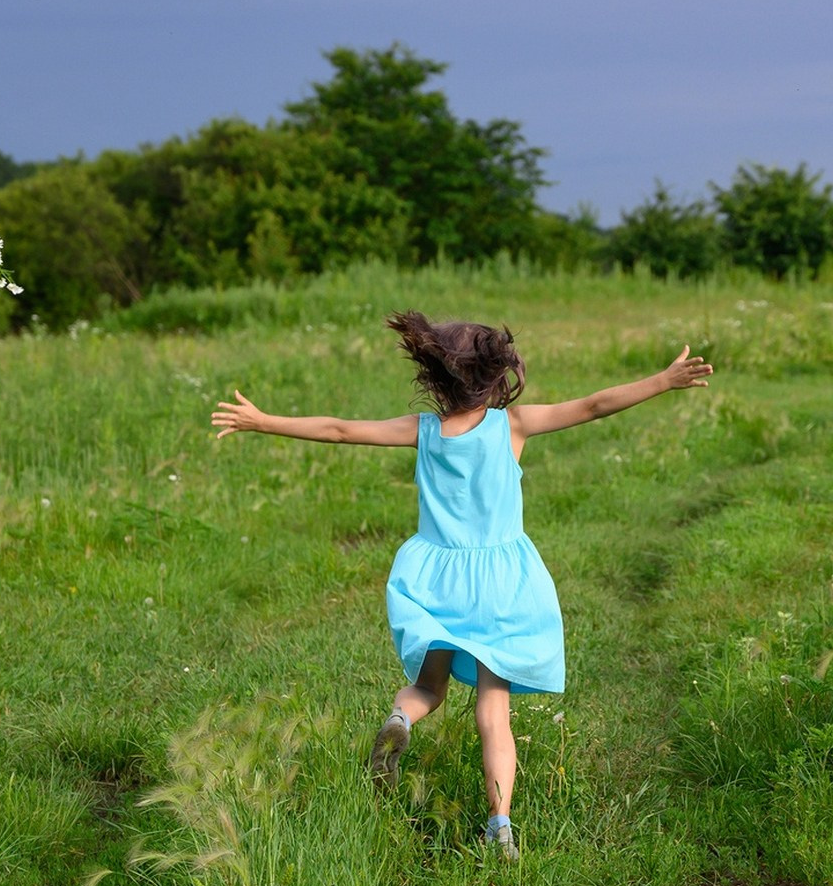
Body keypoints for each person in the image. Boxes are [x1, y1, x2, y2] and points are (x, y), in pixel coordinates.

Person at [211, 316, 712, 853]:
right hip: (500, 586)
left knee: (429, 688)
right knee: (494, 714)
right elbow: (592, 406)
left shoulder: (423, 431)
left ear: (438, 377)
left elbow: (339, 429)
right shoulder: (512, 425)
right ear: (497, 373)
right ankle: (500, 825)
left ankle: (402, 717)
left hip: (435, 579)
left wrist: (263, 421)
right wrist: (662, 380)